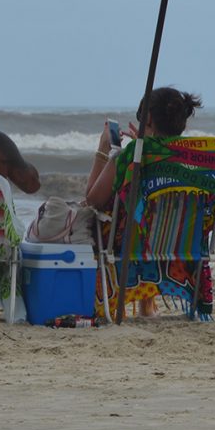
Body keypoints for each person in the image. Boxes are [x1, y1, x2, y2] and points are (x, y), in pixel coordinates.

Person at [86, 87, 202, 317]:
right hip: (181, 247)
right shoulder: (193, 159)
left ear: (147, 119)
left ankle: (129, 300)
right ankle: (147, 303)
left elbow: (92, 200)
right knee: (148, 215)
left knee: (108, 218)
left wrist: (105, 152)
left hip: (131, 244)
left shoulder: (131, 155)